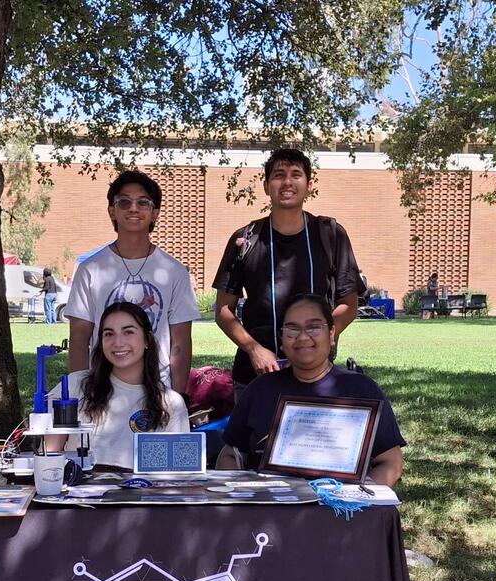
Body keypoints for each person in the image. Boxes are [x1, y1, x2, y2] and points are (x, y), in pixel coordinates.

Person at [212, 148, 363, 399]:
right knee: (253, 439)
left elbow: (348, 305)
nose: (287, 182)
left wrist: (315, 343)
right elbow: (223, 310)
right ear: (266, 185)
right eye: (279, 175)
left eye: (296, 174)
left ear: (309, 184)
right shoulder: (246, 238)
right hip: (256, 374)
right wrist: (254, 349)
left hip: (317, 373)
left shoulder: (331, 235)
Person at [217, 294, 405, 486]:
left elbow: (391, 462)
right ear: (282, 337)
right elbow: (229, 455)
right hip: (270, 508)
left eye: (314, 327)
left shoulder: (361, 390)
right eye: (292, 328)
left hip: (342, 510)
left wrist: (359, 500)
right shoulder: (260, 390)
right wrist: (241, 495)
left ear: (331, 334)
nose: (303, 337)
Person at [66, 170, 199, 394]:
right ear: (112, 211)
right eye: (124, 202)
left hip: (157, 391)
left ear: (155, 212)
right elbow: (79, 338)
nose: (133, 209)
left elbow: (180, 343)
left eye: (143, 203)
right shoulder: (90, 270)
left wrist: (178, 397)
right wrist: (81, 393)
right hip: (102, 390)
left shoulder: (174, 271)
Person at [47, 302, 189, 470]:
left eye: (128, 332)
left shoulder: (170, 403)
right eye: (109, 334)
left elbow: (177, 474)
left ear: (147, 340)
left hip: (143, 494)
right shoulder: (74, 386)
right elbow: (48, 455)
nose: (118, 342)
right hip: (79, 492)